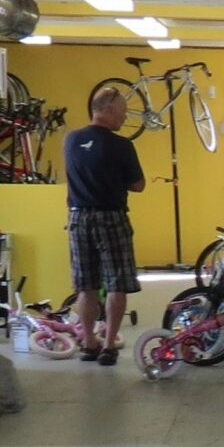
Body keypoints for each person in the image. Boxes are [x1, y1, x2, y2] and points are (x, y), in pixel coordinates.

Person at [65, 83, 146, 365]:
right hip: (111, 217)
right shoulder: (122, 145)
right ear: (108, 110)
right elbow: (138, 185)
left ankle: (89, 343)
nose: (125, 117)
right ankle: (109, 346)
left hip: (77, 218)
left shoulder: (71, 140)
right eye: (123, 112)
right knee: (116, 284)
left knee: (85, 285)